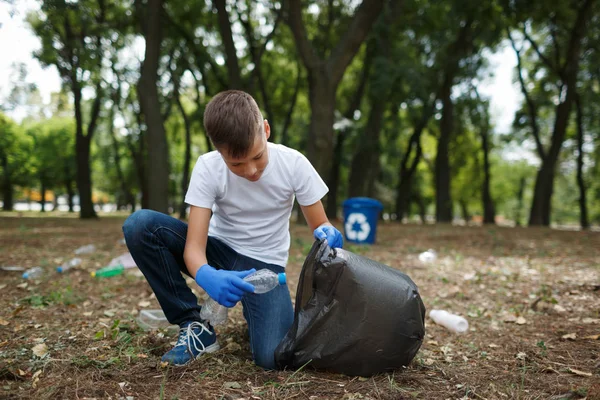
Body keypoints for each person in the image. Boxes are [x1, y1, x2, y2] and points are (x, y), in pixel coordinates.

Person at [123, 90, 343, 370]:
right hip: (218, 252)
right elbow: (193, 248)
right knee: (140, 226)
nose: (251, 170)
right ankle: (194, 325)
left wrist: (327, 232)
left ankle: (260, 313)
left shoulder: (294, 164)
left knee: (272, 358)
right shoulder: (208, 167)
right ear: (218, 150)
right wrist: (207, 275)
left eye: (257, 156)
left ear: (266, 129)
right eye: (236, 163)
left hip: (265, 268)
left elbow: (320, 224)